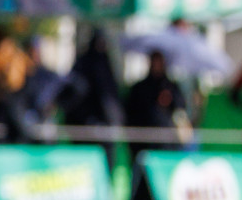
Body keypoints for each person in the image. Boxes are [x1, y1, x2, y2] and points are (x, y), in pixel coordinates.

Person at [63, 28, 123, 173]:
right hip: (84, 126)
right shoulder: (88, 63)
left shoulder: (103, 63)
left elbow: (109, 97)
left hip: (103, 127)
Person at [124, 51, 186, 164]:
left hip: (166, 141)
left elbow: (181, 107)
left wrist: (170, 99)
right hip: (143, 141)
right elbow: (132, 112)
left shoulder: (170, 86)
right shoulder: (140, 87)